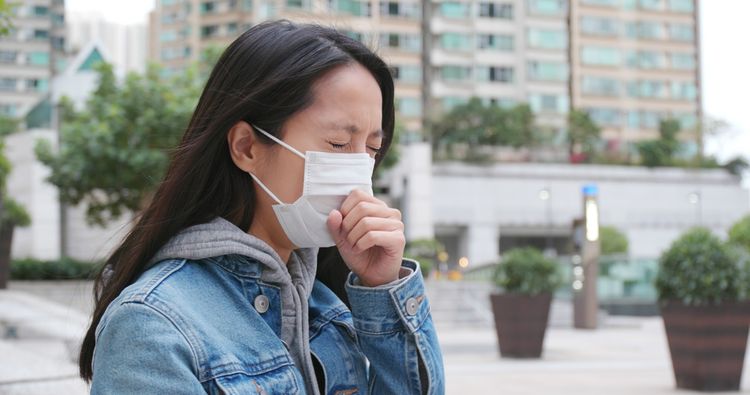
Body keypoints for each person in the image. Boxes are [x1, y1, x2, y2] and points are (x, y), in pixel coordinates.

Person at [78, 20, 445, 394]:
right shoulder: (153, 323)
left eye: (370, 148)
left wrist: (383, 285)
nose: (357, 168)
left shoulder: (324, 305)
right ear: (246, 147)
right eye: (337, 143)